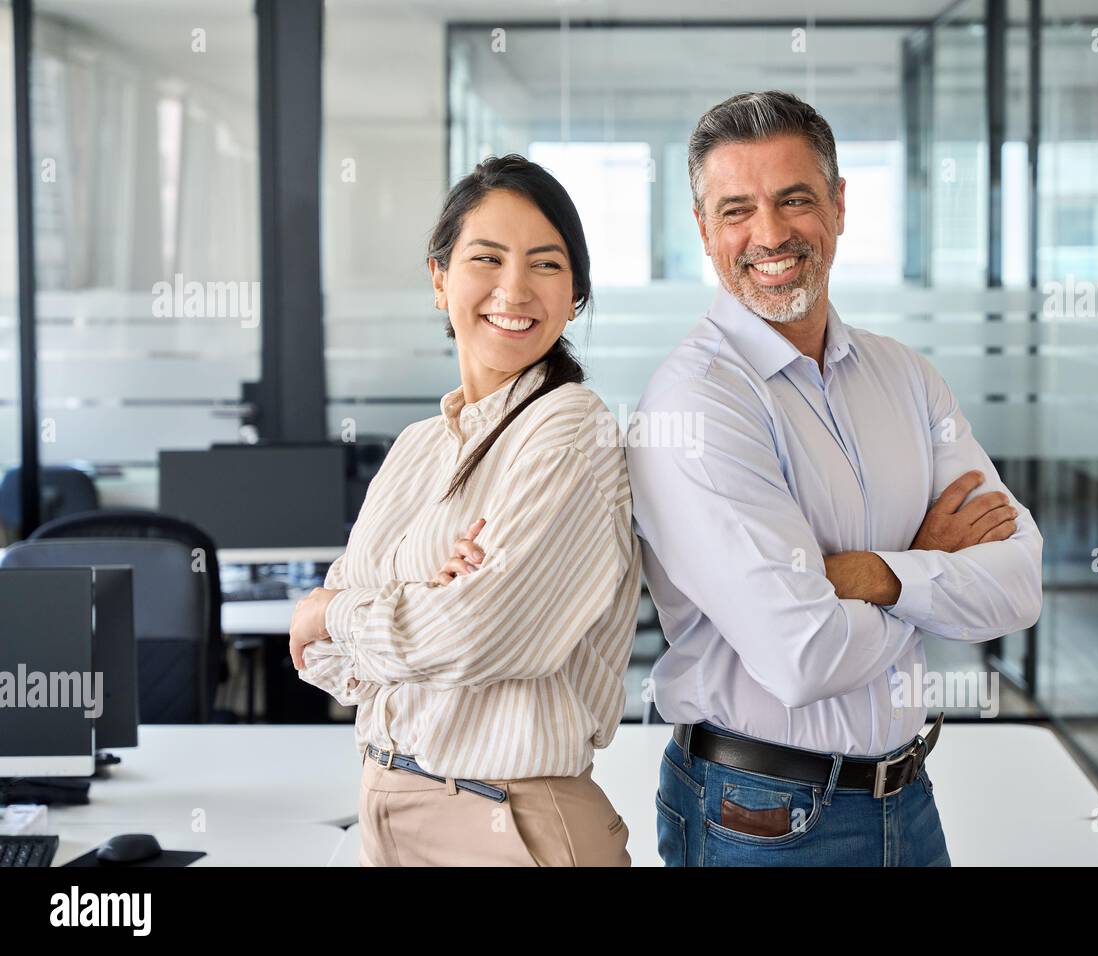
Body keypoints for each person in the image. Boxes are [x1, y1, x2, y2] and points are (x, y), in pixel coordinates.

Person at [627, 91, 1044, 866]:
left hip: (908, 802)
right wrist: (930, 565)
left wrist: (877, 575)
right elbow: (803, 655)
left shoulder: (904, 376)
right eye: (736, 210)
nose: (771, 235)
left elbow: (1019, 583)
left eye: (795, 199)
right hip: (759, 820)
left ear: (840, 205)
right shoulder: (695, 403)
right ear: (702, 229)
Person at [289, 154, 641, 867]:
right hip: (386, 802)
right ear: (439, 277)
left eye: (546, 264)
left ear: (575, 295)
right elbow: (323, 664)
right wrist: (418, 601)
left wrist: (336, 609)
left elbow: (483, 633)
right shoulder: (419, 446)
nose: (514, 289)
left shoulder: (571, 427)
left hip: (509, 822)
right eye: (487, 258)